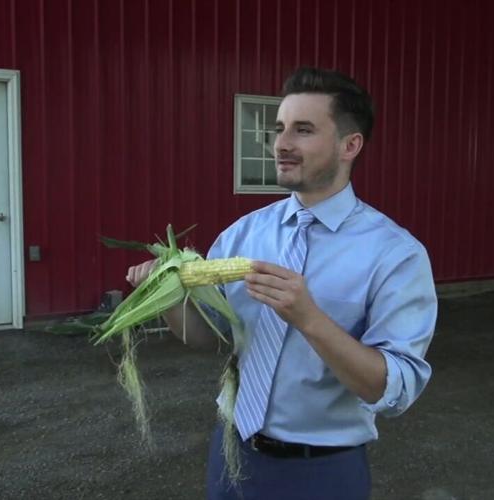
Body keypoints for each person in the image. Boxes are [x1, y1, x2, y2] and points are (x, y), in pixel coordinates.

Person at [126, 67, 437, 500]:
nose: (281, 145)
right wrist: (168, 297)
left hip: (322, 471)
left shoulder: (396, 255)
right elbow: (210, 338)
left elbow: (392, 389)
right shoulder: (243, 234)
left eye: (303, 130)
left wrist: (309, 318)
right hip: (232, 452)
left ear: (350, 145)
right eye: (279, 129)